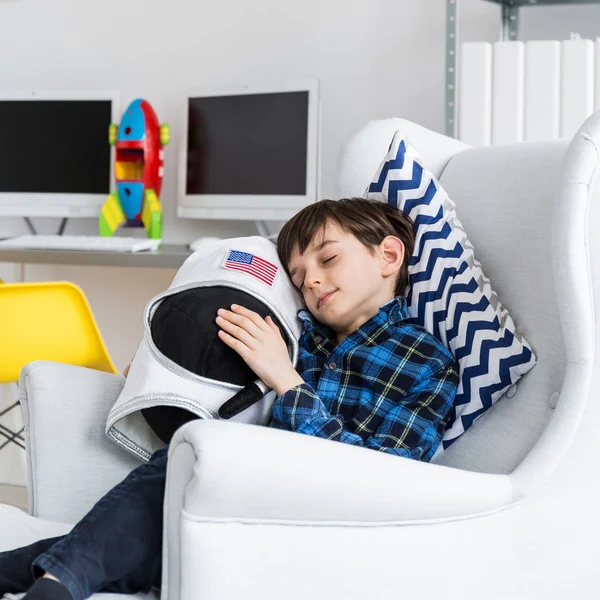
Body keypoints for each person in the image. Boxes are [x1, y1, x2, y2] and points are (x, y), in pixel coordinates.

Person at [0, 198, 459, 600]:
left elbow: (391, 473)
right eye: (299, 277)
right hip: (236, 504)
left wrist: (286, 380)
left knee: (183, 473)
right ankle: (56, 585)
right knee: (140, 525)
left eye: (328, 259)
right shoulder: (297, 332)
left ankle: (59, 580)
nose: (312, 282)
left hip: (324, 518)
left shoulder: (427, 361)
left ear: (389, 255)